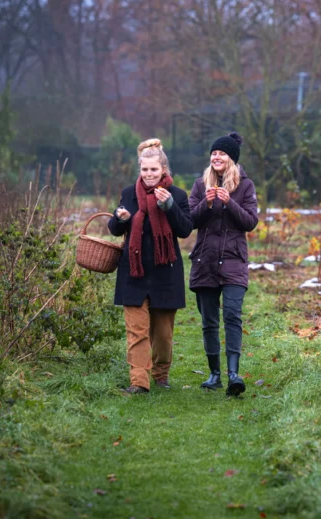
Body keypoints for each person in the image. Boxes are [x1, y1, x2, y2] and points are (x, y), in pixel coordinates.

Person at [108, 138, 193, 394]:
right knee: (137, 332)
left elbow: (185, 229)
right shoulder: (128, 194)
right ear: (140, 170)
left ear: (163, 170)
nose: (148, 174)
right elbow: (114, 230)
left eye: (153, 170)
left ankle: (160, 374)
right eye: (144, 170)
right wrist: (119, 219)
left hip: (165, 273)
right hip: (133, 272)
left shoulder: (177, 195)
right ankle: (139, 382)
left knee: (163, 336)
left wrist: (168, 207)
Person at [188, 131, 258, 396]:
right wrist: (205, 204)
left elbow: (251, 222)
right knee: (209, 321)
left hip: (233, 262)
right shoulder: (199, 185)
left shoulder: (245, 187)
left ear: (232, 159)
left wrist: (230, 204)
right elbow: (189, 221)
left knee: (231, 315)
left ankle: (233, 374)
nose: (217, 157)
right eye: (214, 153)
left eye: (222, 153)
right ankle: (214, 374)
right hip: (204, 262)